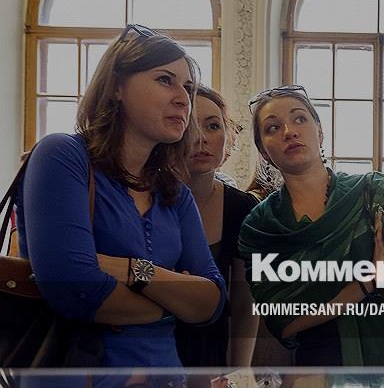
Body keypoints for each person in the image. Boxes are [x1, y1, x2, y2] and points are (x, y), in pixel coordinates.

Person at [15, 23, 226, 368]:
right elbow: (75, 289)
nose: (183, 98)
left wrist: (131, 270)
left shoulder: (175, 192)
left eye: (188, 87)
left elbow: (212, 303)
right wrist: (175, 302)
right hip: (81, 374)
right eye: (165, 80)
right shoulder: (62, 155)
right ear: (116, 87)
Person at [239, 75, 384, 366]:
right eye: (273, 127)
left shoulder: (369, 189)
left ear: (320, 133)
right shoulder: (261, 226)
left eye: (299, 119)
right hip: (319, 361)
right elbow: (283, 323)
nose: (289, 132)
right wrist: (363, 286)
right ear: (263, 150)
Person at [175, 85, 259, 368]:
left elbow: (245, 303)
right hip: (148, 356)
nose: (201, 138)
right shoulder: (143, 199)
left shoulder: (242, 207)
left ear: (228, 136)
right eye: (189, 126)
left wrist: (239, 373)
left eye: (213, 126)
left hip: (210, 358)